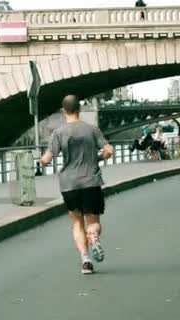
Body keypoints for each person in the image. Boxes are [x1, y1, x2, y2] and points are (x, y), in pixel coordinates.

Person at [40, 95, 114, 274]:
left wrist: (43, 161)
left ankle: (86, 261)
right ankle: (94, 236)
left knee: (77, 224)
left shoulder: (59, 133)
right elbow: (109, 150)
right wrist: (99, 157)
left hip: (69, 185)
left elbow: (47, 158)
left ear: (63, 111)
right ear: (79, 109)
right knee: (93, 221)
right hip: (91, 181)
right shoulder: (91, 129)